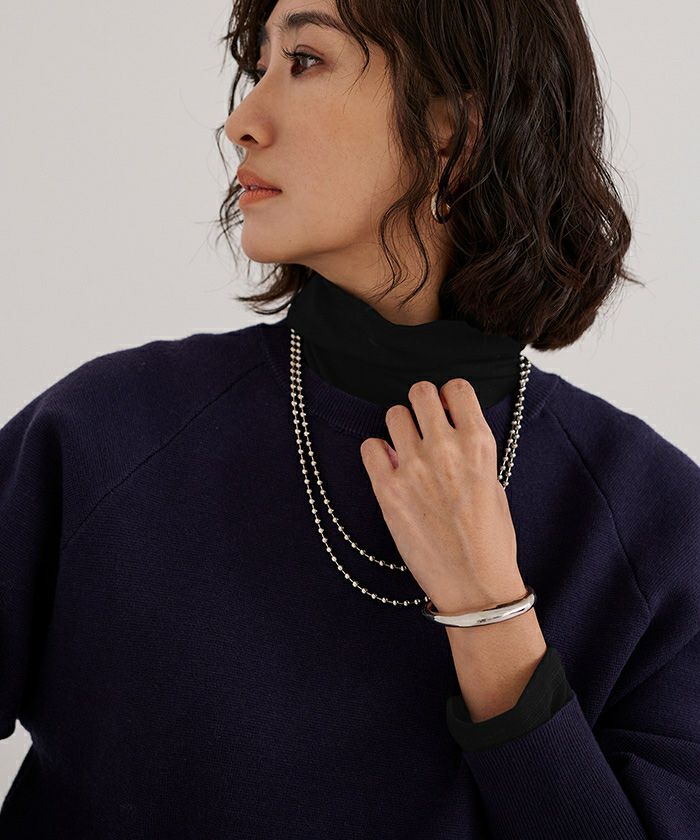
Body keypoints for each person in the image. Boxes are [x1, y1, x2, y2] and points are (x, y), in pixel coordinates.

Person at [0, 0, 698, 836]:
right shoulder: (101, 438)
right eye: (258, 67)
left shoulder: (657, 525)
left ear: (454, 130)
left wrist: (491, 615)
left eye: (304, 61)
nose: (240, 121)